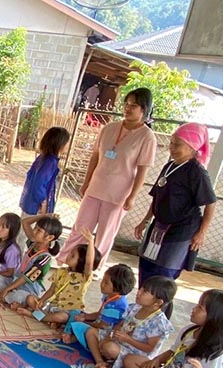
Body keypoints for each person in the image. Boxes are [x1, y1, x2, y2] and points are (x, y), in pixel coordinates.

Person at [61, 88, 157, 265]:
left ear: (144, 109)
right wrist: (86, 181)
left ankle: (93, 267)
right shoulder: (109, 128)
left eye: (133, 106)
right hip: (96, 187)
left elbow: (142, 170)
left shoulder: (147, 136)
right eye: (126, 104)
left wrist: (132, 196)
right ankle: (65, 260)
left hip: (118, 195)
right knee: (80, 227)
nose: (127, 108)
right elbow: (95, 156)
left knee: (105, 234)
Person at [134, 122, 217, 313]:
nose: (171, 148)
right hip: (158, 228)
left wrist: (201, 233)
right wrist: (145, 220)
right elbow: (157, 196)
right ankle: (140, 314)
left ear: (192, 147)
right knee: (146, 268)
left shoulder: (197, 172)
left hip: (181, 231)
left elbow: (210, 203)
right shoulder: (170, 166)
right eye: (171, 143)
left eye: (177, 144)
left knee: (164, 276)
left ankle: (158, 318)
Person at [98, 289, 223, 368]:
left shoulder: (218, 351)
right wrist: (157, 360)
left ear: (215, 317)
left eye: (200, 308)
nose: (194, 309)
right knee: (131, 359)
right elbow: (172, 351)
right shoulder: (189, 330)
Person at [87, 276, 176, 368]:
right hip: (119, 342)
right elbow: (120, 325)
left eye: (144, 291)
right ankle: (99, 360)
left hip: (134, 353)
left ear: (158, 302)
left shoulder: (158, 323)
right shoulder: (134, 308)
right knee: (91, 332)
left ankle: (110, 360)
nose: (138, 292)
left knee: (109, 348)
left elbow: (149, 348)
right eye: (140, 288)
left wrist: (128, 339)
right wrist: (109, 337)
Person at [13, 228, 99, 329]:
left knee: (61, 317)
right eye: (70, 253)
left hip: (66, 310)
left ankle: (34, 315)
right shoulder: (60, 271)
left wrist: (91, 241)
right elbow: (51, 290)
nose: (68, 256)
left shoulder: (84, 277)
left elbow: (89, 263)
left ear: (81, 263)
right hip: (51, 305)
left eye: (72, 256)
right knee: (30, 299)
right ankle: (48, 319)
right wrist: (41, 300)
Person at [64, 263, 136, 347]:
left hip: (105, 334)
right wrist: (85, 316)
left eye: (106, 283)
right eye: (103, 280)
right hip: (99, 324)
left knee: (78, 325)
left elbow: (103, 326)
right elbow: (99, 314)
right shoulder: (110, 297)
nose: (102, 284)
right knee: (75, 312)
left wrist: (83, 321)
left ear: (117, 287)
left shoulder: (115, 306)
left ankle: (73, 336)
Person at [0, 214, 62, 307]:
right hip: (16, 280)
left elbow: (26, 278)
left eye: (39, 230)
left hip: (28, 288)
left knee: (18, 296)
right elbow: (25, 222)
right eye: (35, 227)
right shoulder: (32, 243)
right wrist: (44, 216)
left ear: (49, 238)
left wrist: (7, 288)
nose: (34, 231)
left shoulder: (45, 258)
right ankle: (8, 296)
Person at [19, 127, 70, 216]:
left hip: (30, 203)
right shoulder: (50, 162)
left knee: (25, 222)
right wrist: (43, 202)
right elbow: (39, 183)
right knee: (30, 224)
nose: (68, 145)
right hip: (36, 207)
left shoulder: (43, 158)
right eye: (67, 142)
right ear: (59, 143)